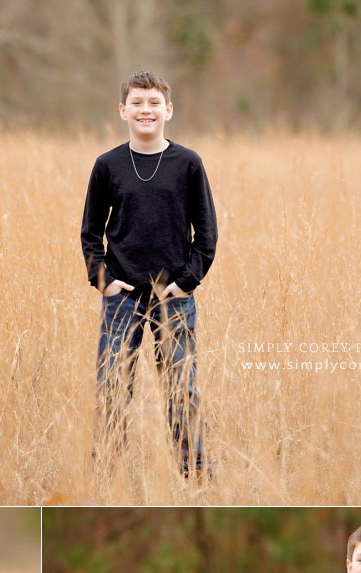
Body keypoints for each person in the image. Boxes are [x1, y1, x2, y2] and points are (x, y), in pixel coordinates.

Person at [81, 70, 218, 477]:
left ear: (168, 111)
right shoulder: (107, 165)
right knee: (112, 389)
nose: (146, 110)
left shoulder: (187, 163)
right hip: (122, 296)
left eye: (154, 103)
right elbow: (90, 232)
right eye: (137, 103)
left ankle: (194, 474)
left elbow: (206, 231)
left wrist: (186, 281)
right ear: (123, 111)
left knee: (182, 391)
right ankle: (105, 476)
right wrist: (103, 282)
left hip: (172, 295)